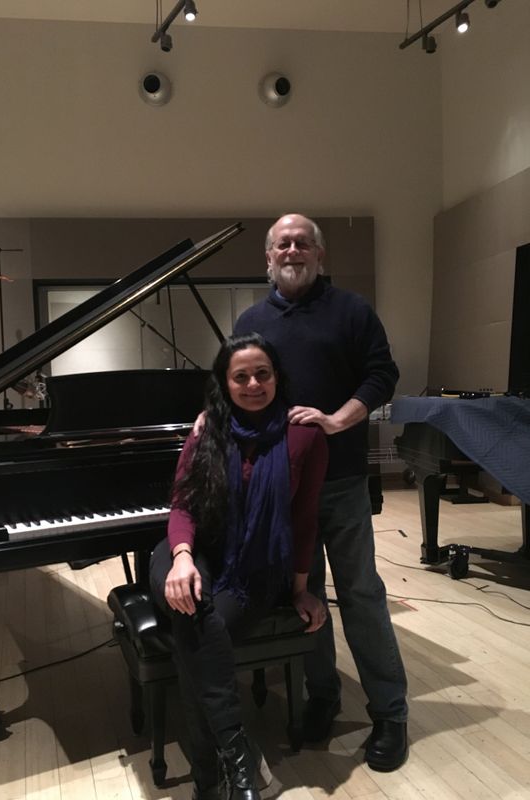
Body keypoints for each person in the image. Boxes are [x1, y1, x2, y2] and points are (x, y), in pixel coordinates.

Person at [232, 213, 408, 772]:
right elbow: (240, 388)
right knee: (302, 596)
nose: (292, 250)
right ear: (268, 257)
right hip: (282, 485)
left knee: (360, 594)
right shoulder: (252, 320)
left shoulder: (352, 310)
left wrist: (336, 420)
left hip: (342, 479)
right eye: (282, 244)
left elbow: (382, 375)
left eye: (302, 243)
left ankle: (390, 713)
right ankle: (322, 696)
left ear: (319, 253)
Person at [149, 333, 328, 800]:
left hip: (255, 569)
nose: (253, 384)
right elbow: (183, 505)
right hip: (188, 550)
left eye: (262, 374)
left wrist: (300, 590)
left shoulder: (304, 436)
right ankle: (239, 755)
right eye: (240, 376)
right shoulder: (208, 429)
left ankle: (210, 778)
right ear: (225, 383)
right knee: (188, 600)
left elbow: (304, 519)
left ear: (276, 378)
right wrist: (182, 558)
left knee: (195, 628)